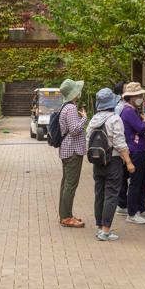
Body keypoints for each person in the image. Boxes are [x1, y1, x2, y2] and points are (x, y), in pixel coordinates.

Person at [87, 88, 136, 241]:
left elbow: (88, 140)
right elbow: (120, 143)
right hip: (113, 161)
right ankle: (106, 231)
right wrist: (128, 162)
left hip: (97, 162)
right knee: (111, 195)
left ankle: (100, 227)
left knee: (99, 194)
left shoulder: (93, 119)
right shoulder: (115, 119)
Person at [116, 82, 145, 224]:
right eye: (138, 95)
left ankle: (142, 209)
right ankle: (132, 213)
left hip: (140, 150)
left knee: (144, 181)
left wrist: (144, 120)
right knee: (136, 182)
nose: (141, 97)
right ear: (130, 97)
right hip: (135, 151)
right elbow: (140, 128)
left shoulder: (133, 110)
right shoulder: (128, 111)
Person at [58, 78, 87, 228]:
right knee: (70, 184)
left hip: (67, 150)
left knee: (66, 184)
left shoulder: (65, 107)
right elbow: (75, 130)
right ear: (74, 93)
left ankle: (65, 214)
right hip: (73, 151)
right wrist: (85, 118)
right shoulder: (70, 108)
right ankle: (67, 217)